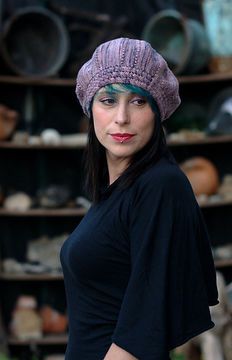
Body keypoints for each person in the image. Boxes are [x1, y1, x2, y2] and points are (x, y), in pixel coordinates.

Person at [60, 37, 218, 360]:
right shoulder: (113, 191)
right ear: (90, 108)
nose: (121, 118)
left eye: (138, 102)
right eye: (108, 100)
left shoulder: (160, 186)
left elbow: (141, 332)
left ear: (157, 111)